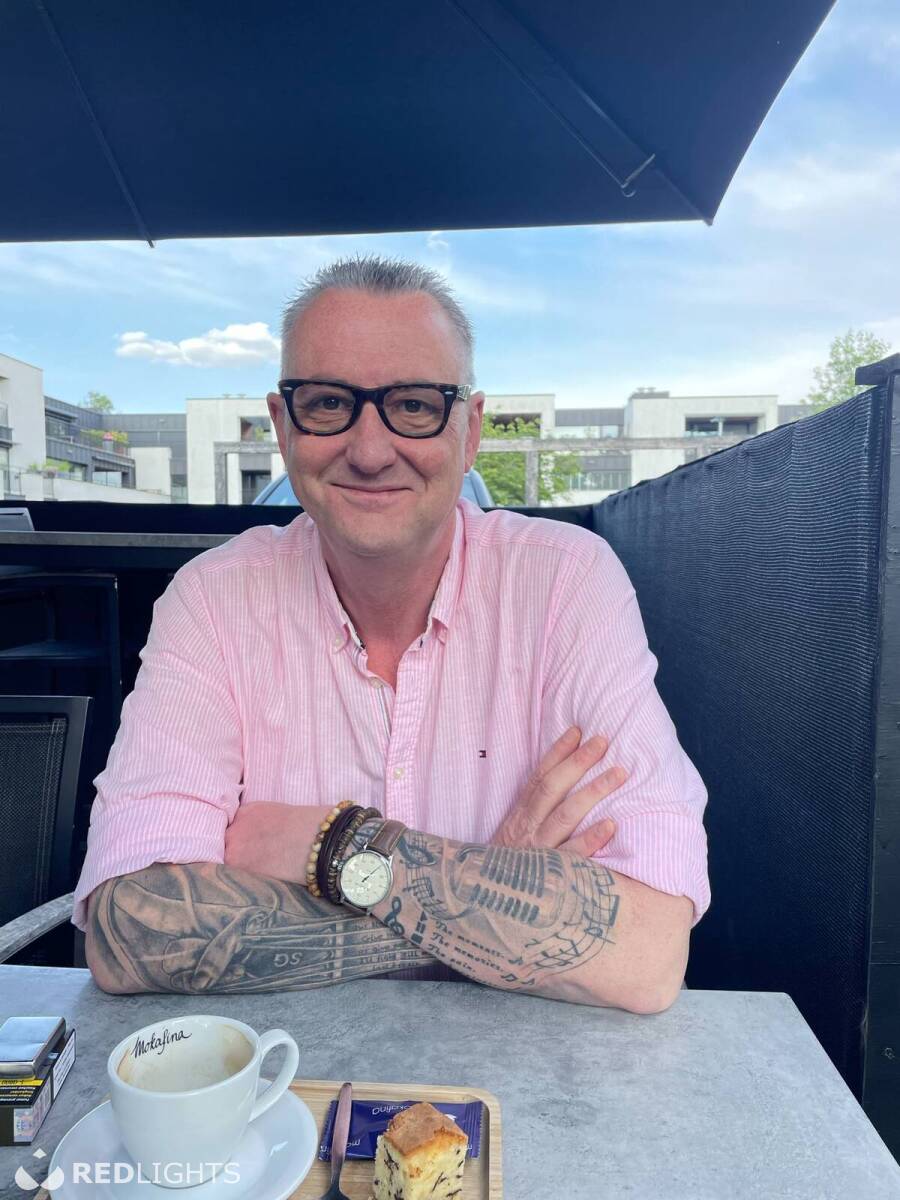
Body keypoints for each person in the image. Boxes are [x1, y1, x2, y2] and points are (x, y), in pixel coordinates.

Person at [75, 255, 710, 1011]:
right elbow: (127, 932)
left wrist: (333, 848)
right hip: (279, 1069)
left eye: (413, 405)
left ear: (470, 432)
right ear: (282, 426)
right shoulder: (212, 598)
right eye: (327, 403)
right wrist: (492, 892)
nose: (371, 451)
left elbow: (649, 951)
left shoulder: (566, 582)